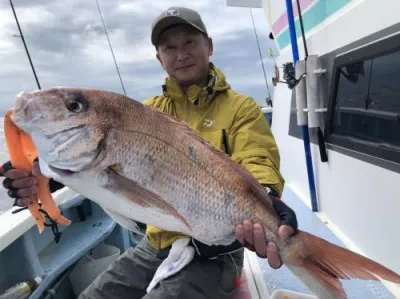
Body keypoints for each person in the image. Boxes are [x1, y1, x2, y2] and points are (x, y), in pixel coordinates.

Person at [0, 6, 298, 299]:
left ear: (209, 46)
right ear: (159, 58)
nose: (181, 54)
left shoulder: (240, 107)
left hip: (215, 253)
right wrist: (41, 179)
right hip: (155, 242)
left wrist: (268, 195)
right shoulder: (148, 111)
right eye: (169, 47)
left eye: (189, 43)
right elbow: (101, 167)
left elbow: (257, 157)